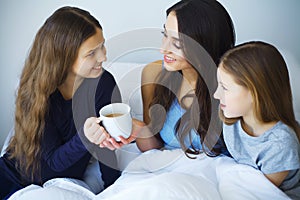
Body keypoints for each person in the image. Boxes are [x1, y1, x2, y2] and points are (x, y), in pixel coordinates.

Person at [0, 6, 121, 199]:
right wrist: (85, 137)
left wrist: (114, 190)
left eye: (102, 46)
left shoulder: (104, 84)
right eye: (91, 53)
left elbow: (105, 148)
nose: (103, 57)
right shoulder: (35, 92)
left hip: (59, 185)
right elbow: (52, 165)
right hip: (16, 176)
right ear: (64, 57)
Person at [95, 0, 235, 156]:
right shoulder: (153, 74)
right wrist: (139, 129)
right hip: (169, 171)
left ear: (205, 45)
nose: (163, 49)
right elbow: (156, 147)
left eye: (177, 42)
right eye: (165, 35)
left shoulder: (232, 86)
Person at [213, 41, 300, 199]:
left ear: (255, 93)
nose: (216, 95)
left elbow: (258, 192)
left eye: (224, 88)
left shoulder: (280, 144)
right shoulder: (231, 121)